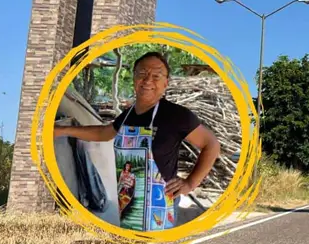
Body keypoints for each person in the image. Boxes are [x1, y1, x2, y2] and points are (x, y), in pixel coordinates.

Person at [55, 51, 221, 230]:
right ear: (134, 78)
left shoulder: (176, 115)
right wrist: (63, 130)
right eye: (142, 73)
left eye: (156, 75)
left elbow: (211, 144)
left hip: (159, 208)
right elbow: (104, 133)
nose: (148, 80)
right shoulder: (127, 116)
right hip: (127, 205)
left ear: (165, 83)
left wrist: (190, 183)